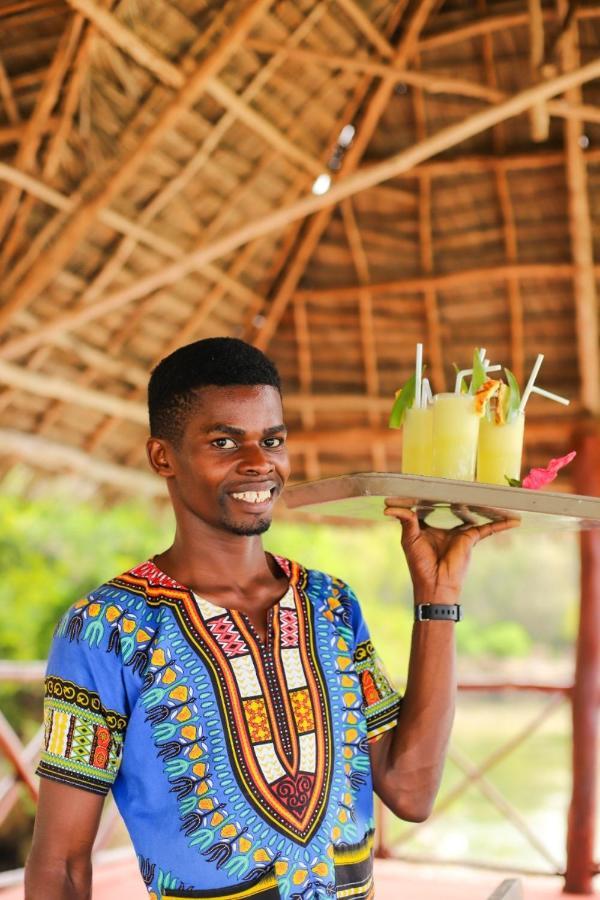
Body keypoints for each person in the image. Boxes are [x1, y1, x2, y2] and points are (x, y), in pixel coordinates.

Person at [25, 337, 515, 900]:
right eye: (224, 441)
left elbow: (411, 792)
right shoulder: (104, 628)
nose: (259, 462)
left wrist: (437, 601)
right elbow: (61, 863)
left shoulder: (331, 605)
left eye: (272, 439)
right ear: (163, 457)